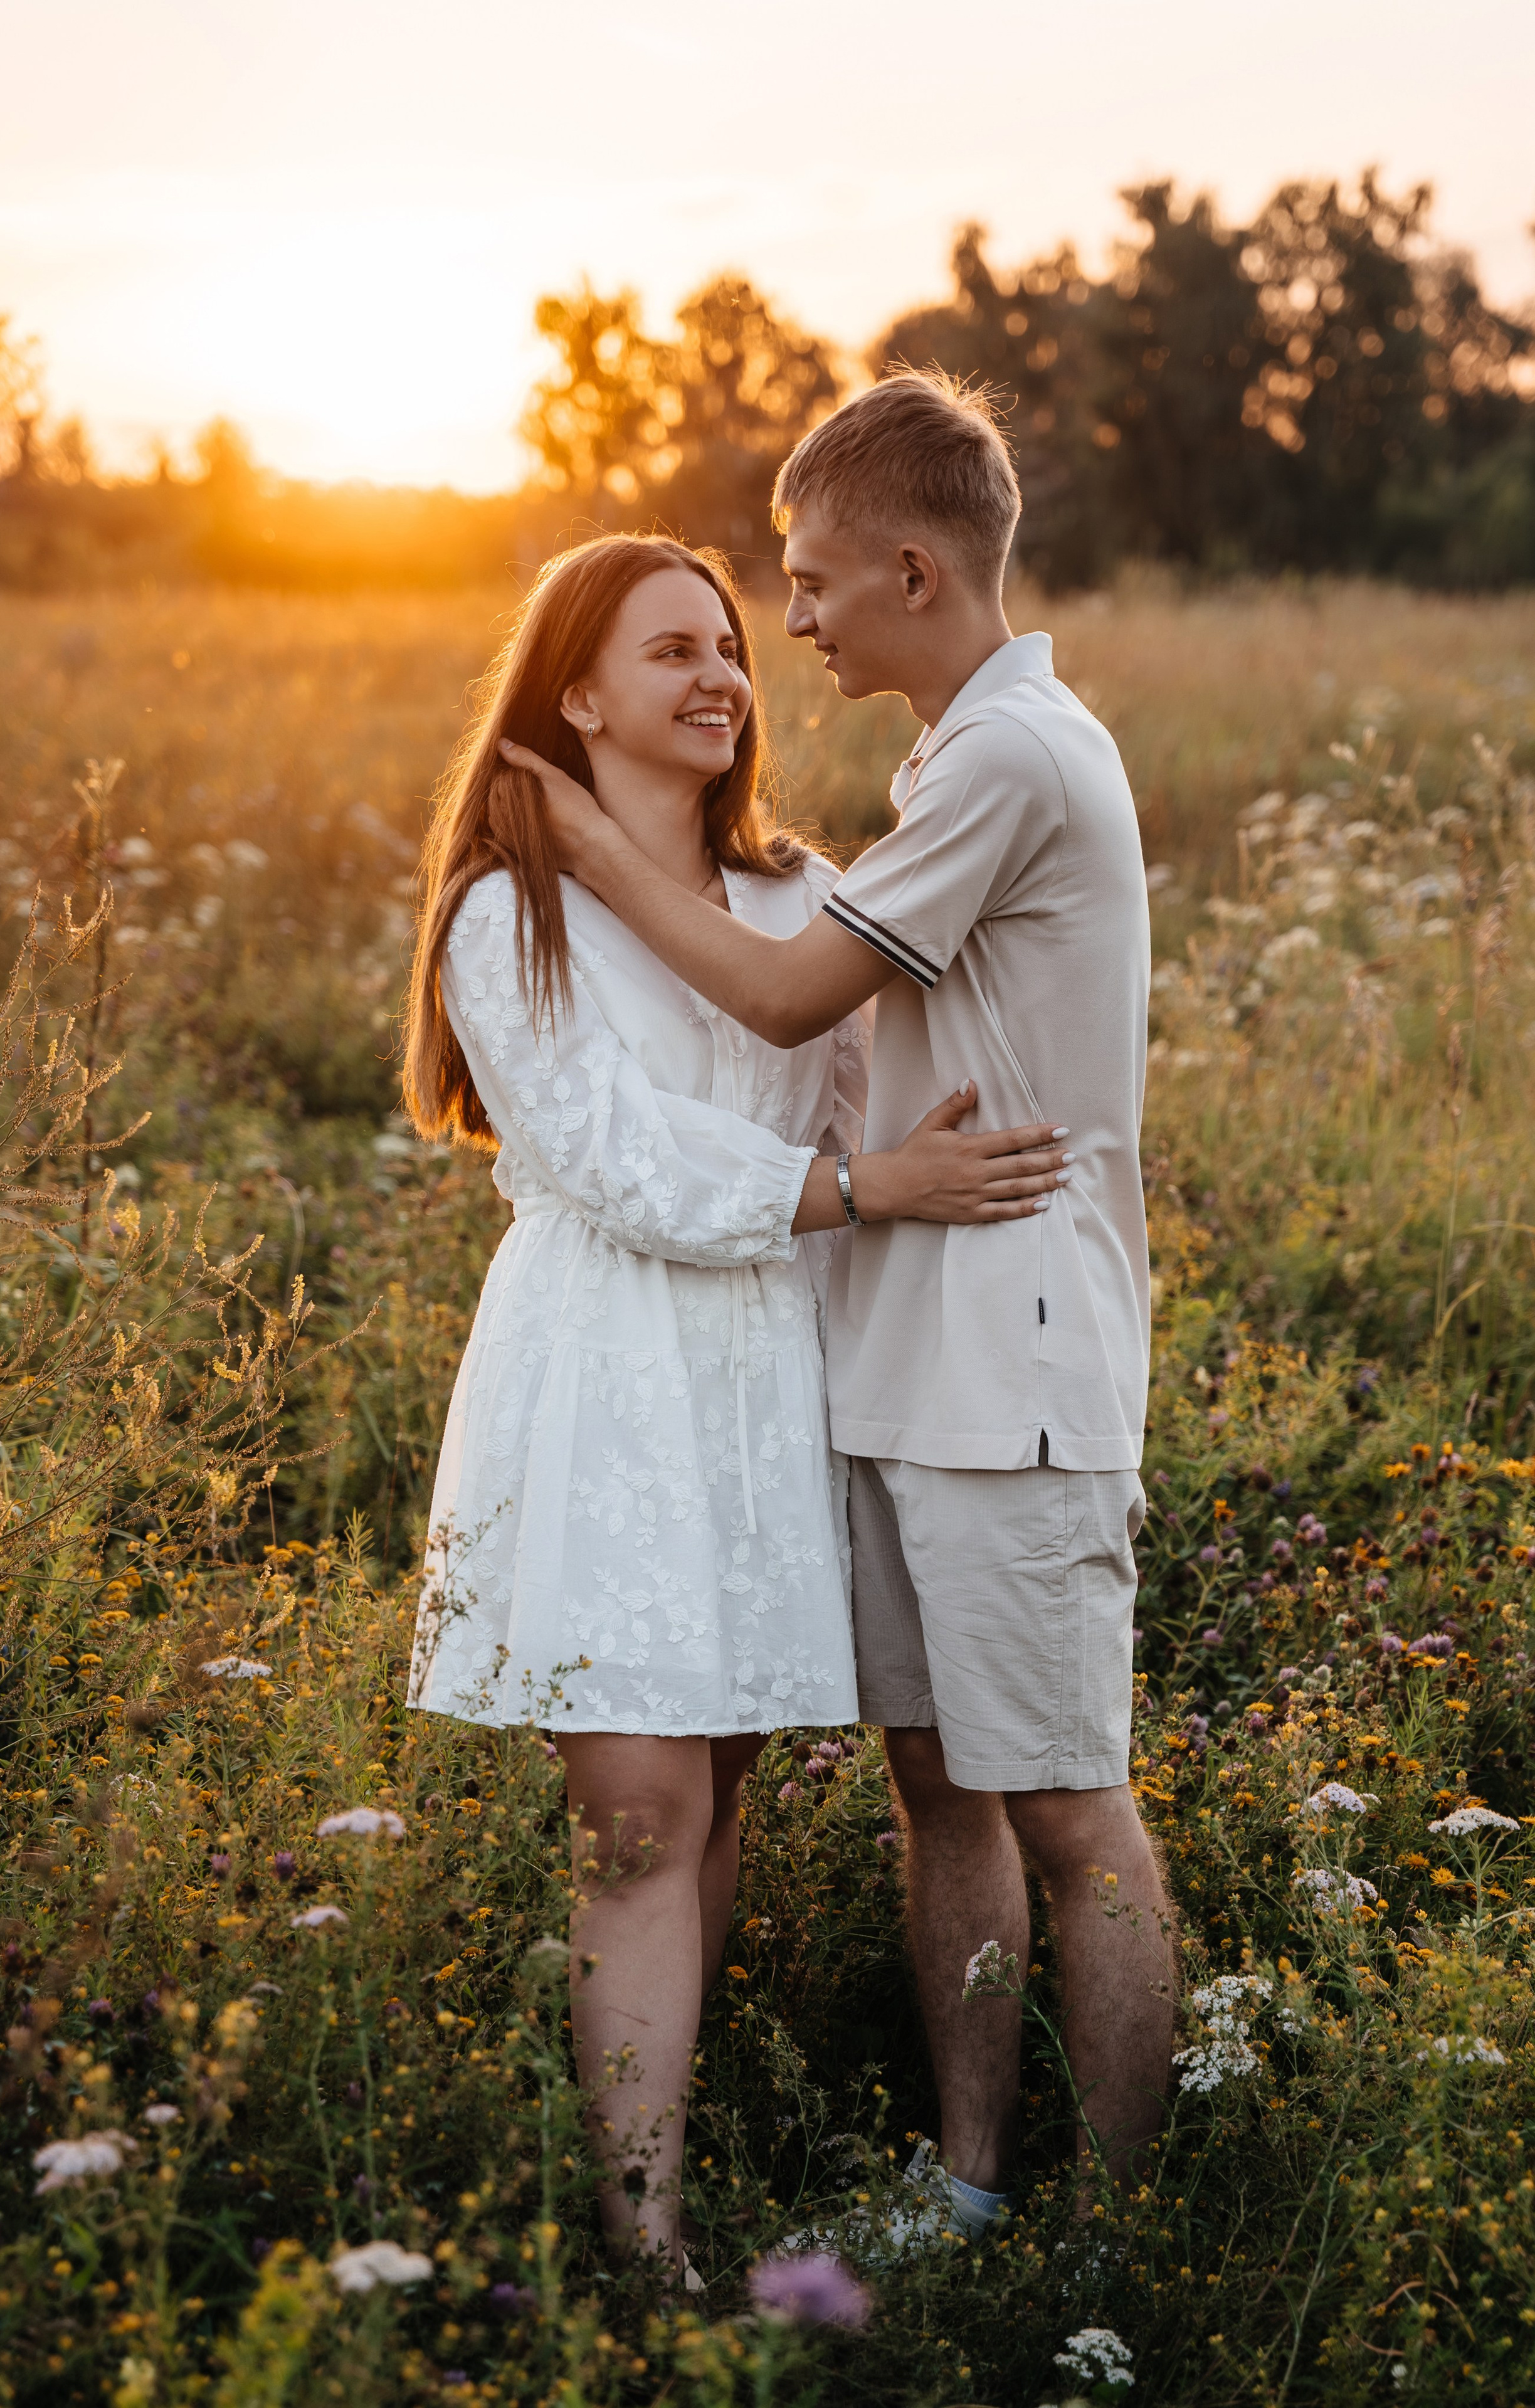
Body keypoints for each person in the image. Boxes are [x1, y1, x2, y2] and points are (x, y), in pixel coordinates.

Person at [499, 376, 1174, 2240]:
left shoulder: (1017, 760)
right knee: (945, 1801)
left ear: (905, 566)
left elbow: (793, 1001)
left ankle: (1116, 2246)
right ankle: (967, 2194)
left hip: (1012, 1372)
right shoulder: (957, 760)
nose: (788, 629)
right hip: (897, 1366)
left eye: (801, 587)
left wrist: (580, 833)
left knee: (1067, 1809)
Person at [401, 531, 1072, 2276]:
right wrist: (858, 1193)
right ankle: (642, 2250)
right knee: (636, 1812)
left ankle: (674, 2194)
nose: (720, 676)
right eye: (670, 652)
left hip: (768, 1375)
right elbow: (606, 1159)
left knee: (717, 1802)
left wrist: (883, 1189)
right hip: (606, 1367)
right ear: (575, 695)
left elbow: (872, 1105)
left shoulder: (802, 895)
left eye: (729, 648)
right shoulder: (508, 907)